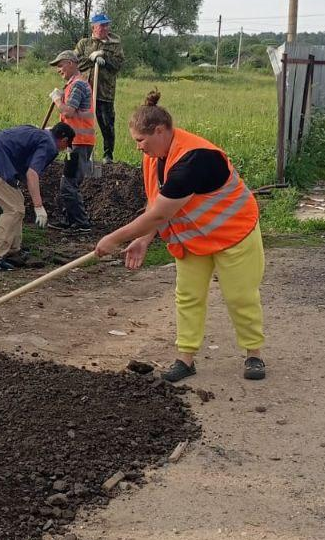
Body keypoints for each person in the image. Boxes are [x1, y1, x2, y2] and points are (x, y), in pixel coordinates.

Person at [94, 91, 266, 382]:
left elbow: (161, 214)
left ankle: (254, 355)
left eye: (140, 140)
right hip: (194, 239)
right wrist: (143, 239)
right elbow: (155, 202)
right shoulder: (156, 156)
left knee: (240, 296)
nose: (138, 147)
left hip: (234, 232)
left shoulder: (194, 159)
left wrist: (115, 238)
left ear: (160, 131)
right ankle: (186, 359)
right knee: (187, 297)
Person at [0, 122, 76, 271]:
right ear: (64, 139)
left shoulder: (39, 133)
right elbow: (32, 173)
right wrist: (38, 206)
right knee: (14, 210)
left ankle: (12, 249)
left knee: (18, 203)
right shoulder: (49, 145)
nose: (64, 149)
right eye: (66, 145)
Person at [47, 50, 95, 232]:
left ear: (71, 63)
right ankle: (70, 220)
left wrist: (57, 99)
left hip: (79, 142)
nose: (59, 70)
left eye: (60, 65)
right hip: (74, 142)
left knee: (69, 183)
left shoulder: (77, 85)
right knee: (67, 181)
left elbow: (68, 112)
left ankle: (81, 223)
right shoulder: (73, 85)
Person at [75, 12, 125, 162]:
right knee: (83, 124)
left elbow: (118, 65)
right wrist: (92, 59)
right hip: (84, 92)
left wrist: (104, 57)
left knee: (106, 124)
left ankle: (107, 155)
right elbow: (75, 62)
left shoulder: (115, 45)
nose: (105, 28)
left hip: (105, 91)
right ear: (93, 27)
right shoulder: (84, 44)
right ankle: (83, 153)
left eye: (107, 25)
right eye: (102, 25)